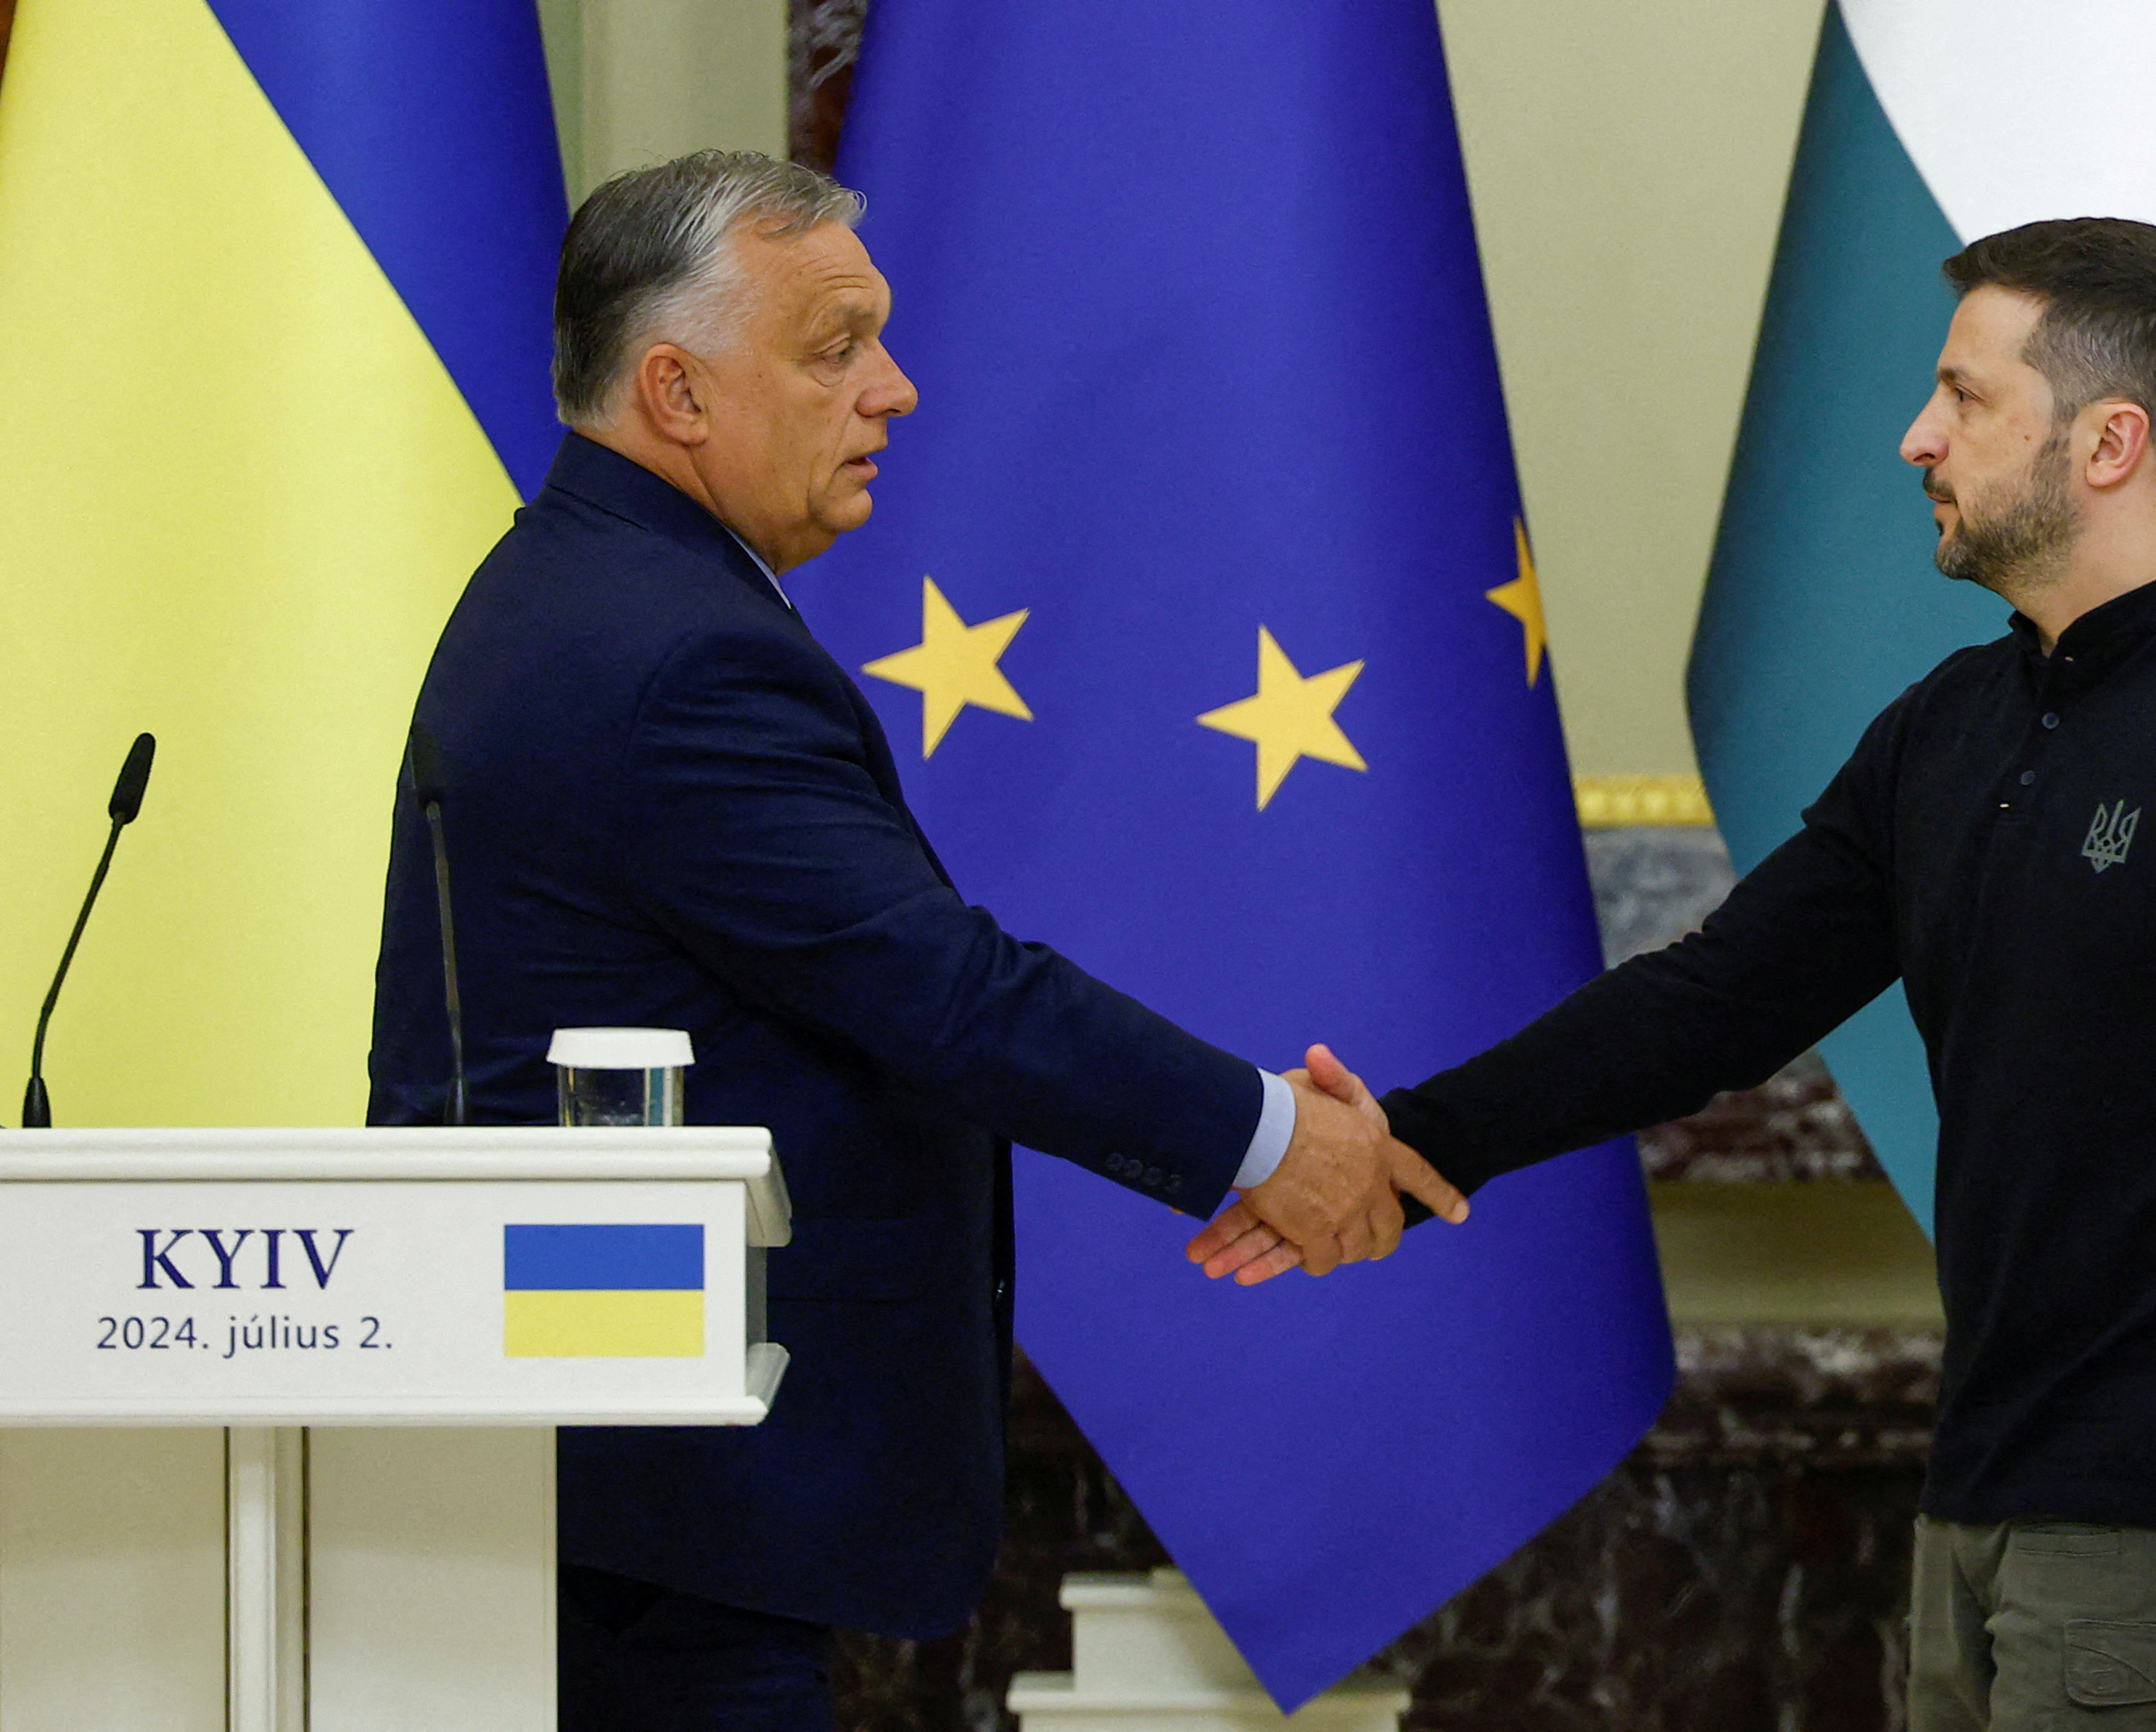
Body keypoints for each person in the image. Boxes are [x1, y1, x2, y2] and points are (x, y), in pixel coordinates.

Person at [1193, 217, 2156, 1728]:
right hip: (1977, 1493)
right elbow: (1709, 1001)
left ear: (2108, 442)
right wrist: (1411, 1140)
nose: (1914, 438)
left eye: (1965, 398)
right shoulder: (1949, 726)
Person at [368, 151, 1465, 1732]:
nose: (893, 389)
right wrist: (1273, 1142)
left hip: (623, 1491)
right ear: (678, 391)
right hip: (659, 1518)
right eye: (835, 348)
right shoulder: (673, 654)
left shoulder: (599, 592)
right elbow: (945, 993)